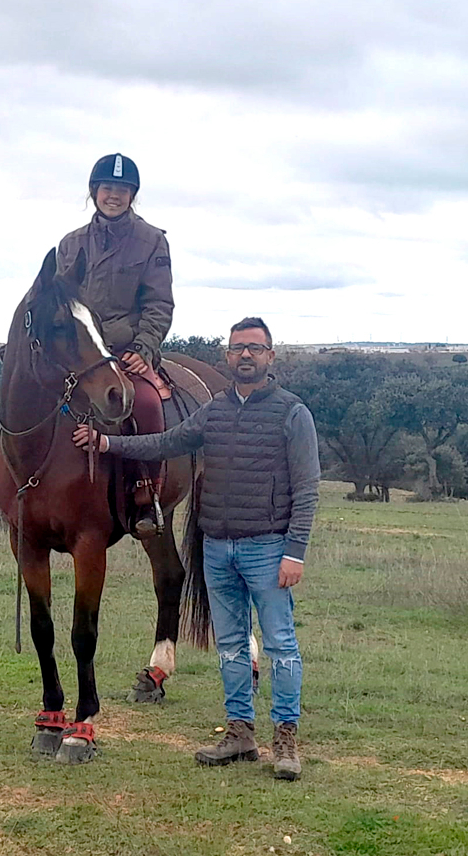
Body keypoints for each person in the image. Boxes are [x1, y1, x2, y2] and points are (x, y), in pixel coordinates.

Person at [72, 317, 320, 780]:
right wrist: (107, 443)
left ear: (270, 356)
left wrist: (295, 551)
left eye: (255, 348)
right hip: (217, 548)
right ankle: (239, 733)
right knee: (230, 646)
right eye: (238, 348)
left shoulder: (292, 413)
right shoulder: (215, 410)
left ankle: (285, 740)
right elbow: (167, 442)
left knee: (282, 645)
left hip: (267, 548)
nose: (245, 355)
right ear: (227, 356)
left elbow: (307, 489)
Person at [0, 153, 175, 537]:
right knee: (25, 394)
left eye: (122, 190)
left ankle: (145, 492)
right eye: (107, 188)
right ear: (94, 191)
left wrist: (143, 347)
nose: (113, 196)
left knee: (147, 403)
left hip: (125, 348)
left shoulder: (152, 242)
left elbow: (159, 304)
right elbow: (58, 298)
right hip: (76, 349)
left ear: (132, 195)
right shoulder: (71, 243)